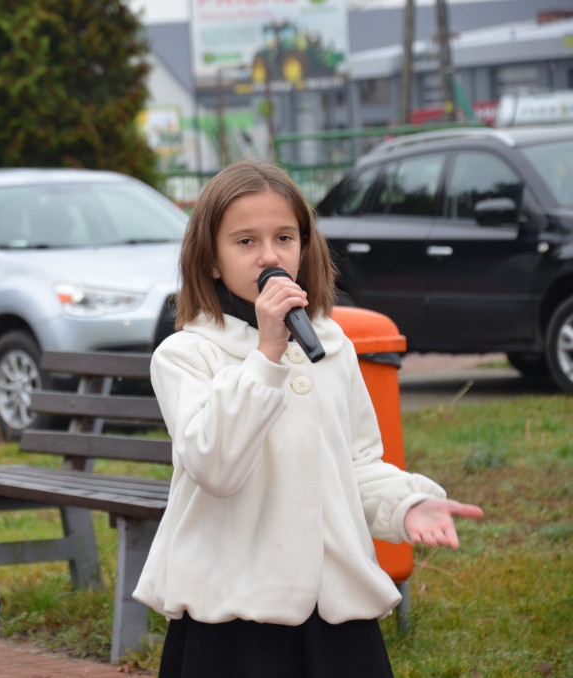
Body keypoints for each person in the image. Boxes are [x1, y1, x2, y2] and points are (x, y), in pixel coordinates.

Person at [132, 160, 484, 677]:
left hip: (333, 607)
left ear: (304, 247)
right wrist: (266, 354)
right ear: (210, 259)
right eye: (246, 242)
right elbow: (216, 467)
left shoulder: (332, 345)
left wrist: (404, 502)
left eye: (284, 237)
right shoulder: (187, 355)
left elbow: (356, 461)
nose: (270, 255)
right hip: (234, 612)